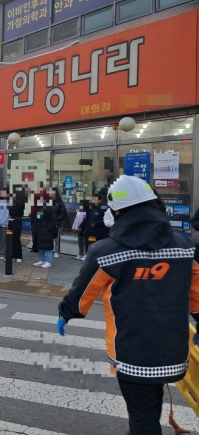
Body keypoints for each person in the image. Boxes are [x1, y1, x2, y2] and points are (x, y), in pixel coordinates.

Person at [58, 175, 199, 435]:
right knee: (147, 404)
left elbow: (83, 292)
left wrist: (67, 313)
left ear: (119, 211)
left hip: (130, 351)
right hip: (173, 350)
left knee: (141, 412)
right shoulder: (186, 247)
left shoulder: (106, 251)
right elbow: (198, 294)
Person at [31, 192, 57, 268]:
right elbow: (35, 220)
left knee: (47, 246)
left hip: (47, 232)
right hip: (39, 231)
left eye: (41, 200)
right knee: (40, 246)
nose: (39, 201)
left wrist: (47, 228)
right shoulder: (37, 209)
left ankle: (48, 261)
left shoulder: (49, 209)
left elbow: (53, 221)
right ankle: (41, 260)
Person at [8, 186, 27, 263]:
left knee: (16, 239)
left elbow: (12, 212)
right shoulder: (14, 202)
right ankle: (13, 255)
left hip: (16, 221)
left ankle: (18, 256)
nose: (13, 195)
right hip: (12, 221)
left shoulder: (19, 203)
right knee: (11, 239)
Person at [50, 188, 67, 258]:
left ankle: (56, 251)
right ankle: (49, 250)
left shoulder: (59, 202)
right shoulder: (48, 201)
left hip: (56, 223)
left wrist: (57, 219)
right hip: (49, 222)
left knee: (56, 238)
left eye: (52, 192)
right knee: (49, 237)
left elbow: (63, 213)